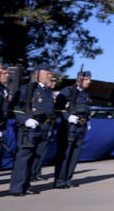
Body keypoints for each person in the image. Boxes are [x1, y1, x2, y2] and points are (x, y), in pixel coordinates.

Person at [9, 67, 56, 195]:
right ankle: (17, 188)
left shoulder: (48, 91)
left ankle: (26, 185)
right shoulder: (28, 89)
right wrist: (25, 120)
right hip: (30, 128)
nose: (49, 76)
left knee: (35, 158)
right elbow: (15, 106)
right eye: (47, 73)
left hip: (43, 128)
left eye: (50, 73)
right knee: (23, 158)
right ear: (37, 75)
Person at [54, 70, 93, 188]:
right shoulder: (68, 91)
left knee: (75, 155)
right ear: (79, 80)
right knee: (65, 154)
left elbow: (86, 110)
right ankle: (60, 181)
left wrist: (87, 121)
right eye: (86, 79)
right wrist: (68, 117)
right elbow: (58, 108)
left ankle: (68, 179)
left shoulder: (85, 94)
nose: (89, 81)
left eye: (89, 79)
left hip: (80, 127)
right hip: (68, 127)